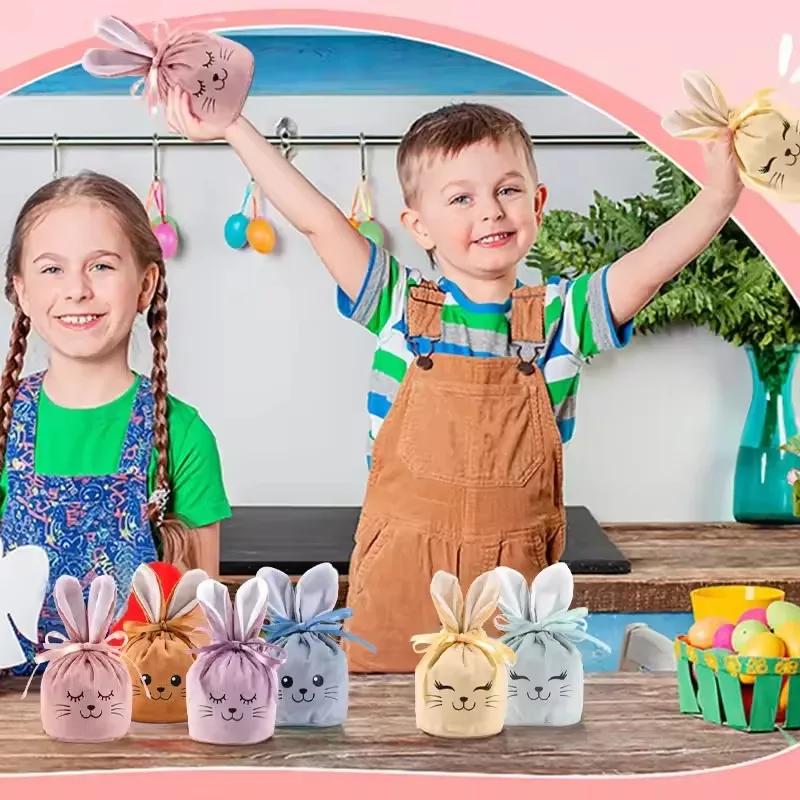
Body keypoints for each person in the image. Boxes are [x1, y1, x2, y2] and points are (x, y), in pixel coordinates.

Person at [165, 88, 742, 672]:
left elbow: (649, 264)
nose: (489, 210)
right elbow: (318, 221)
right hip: (401, 578)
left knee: (509, 735)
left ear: (537, 204)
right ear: (419, 226)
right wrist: (237, 127)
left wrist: (720, 195)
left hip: (513, 591)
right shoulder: (398, 302)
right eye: (461, 198)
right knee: (388, 734)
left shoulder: (564, 318)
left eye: (508, 190)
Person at [0, 172, 231, 672]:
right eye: (51, 270)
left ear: (145, 284)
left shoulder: (184, 436)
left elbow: (199, 623)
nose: (77, 290)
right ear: (20, 290)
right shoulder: (3, 424)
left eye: (101, 266)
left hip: (140, 708)